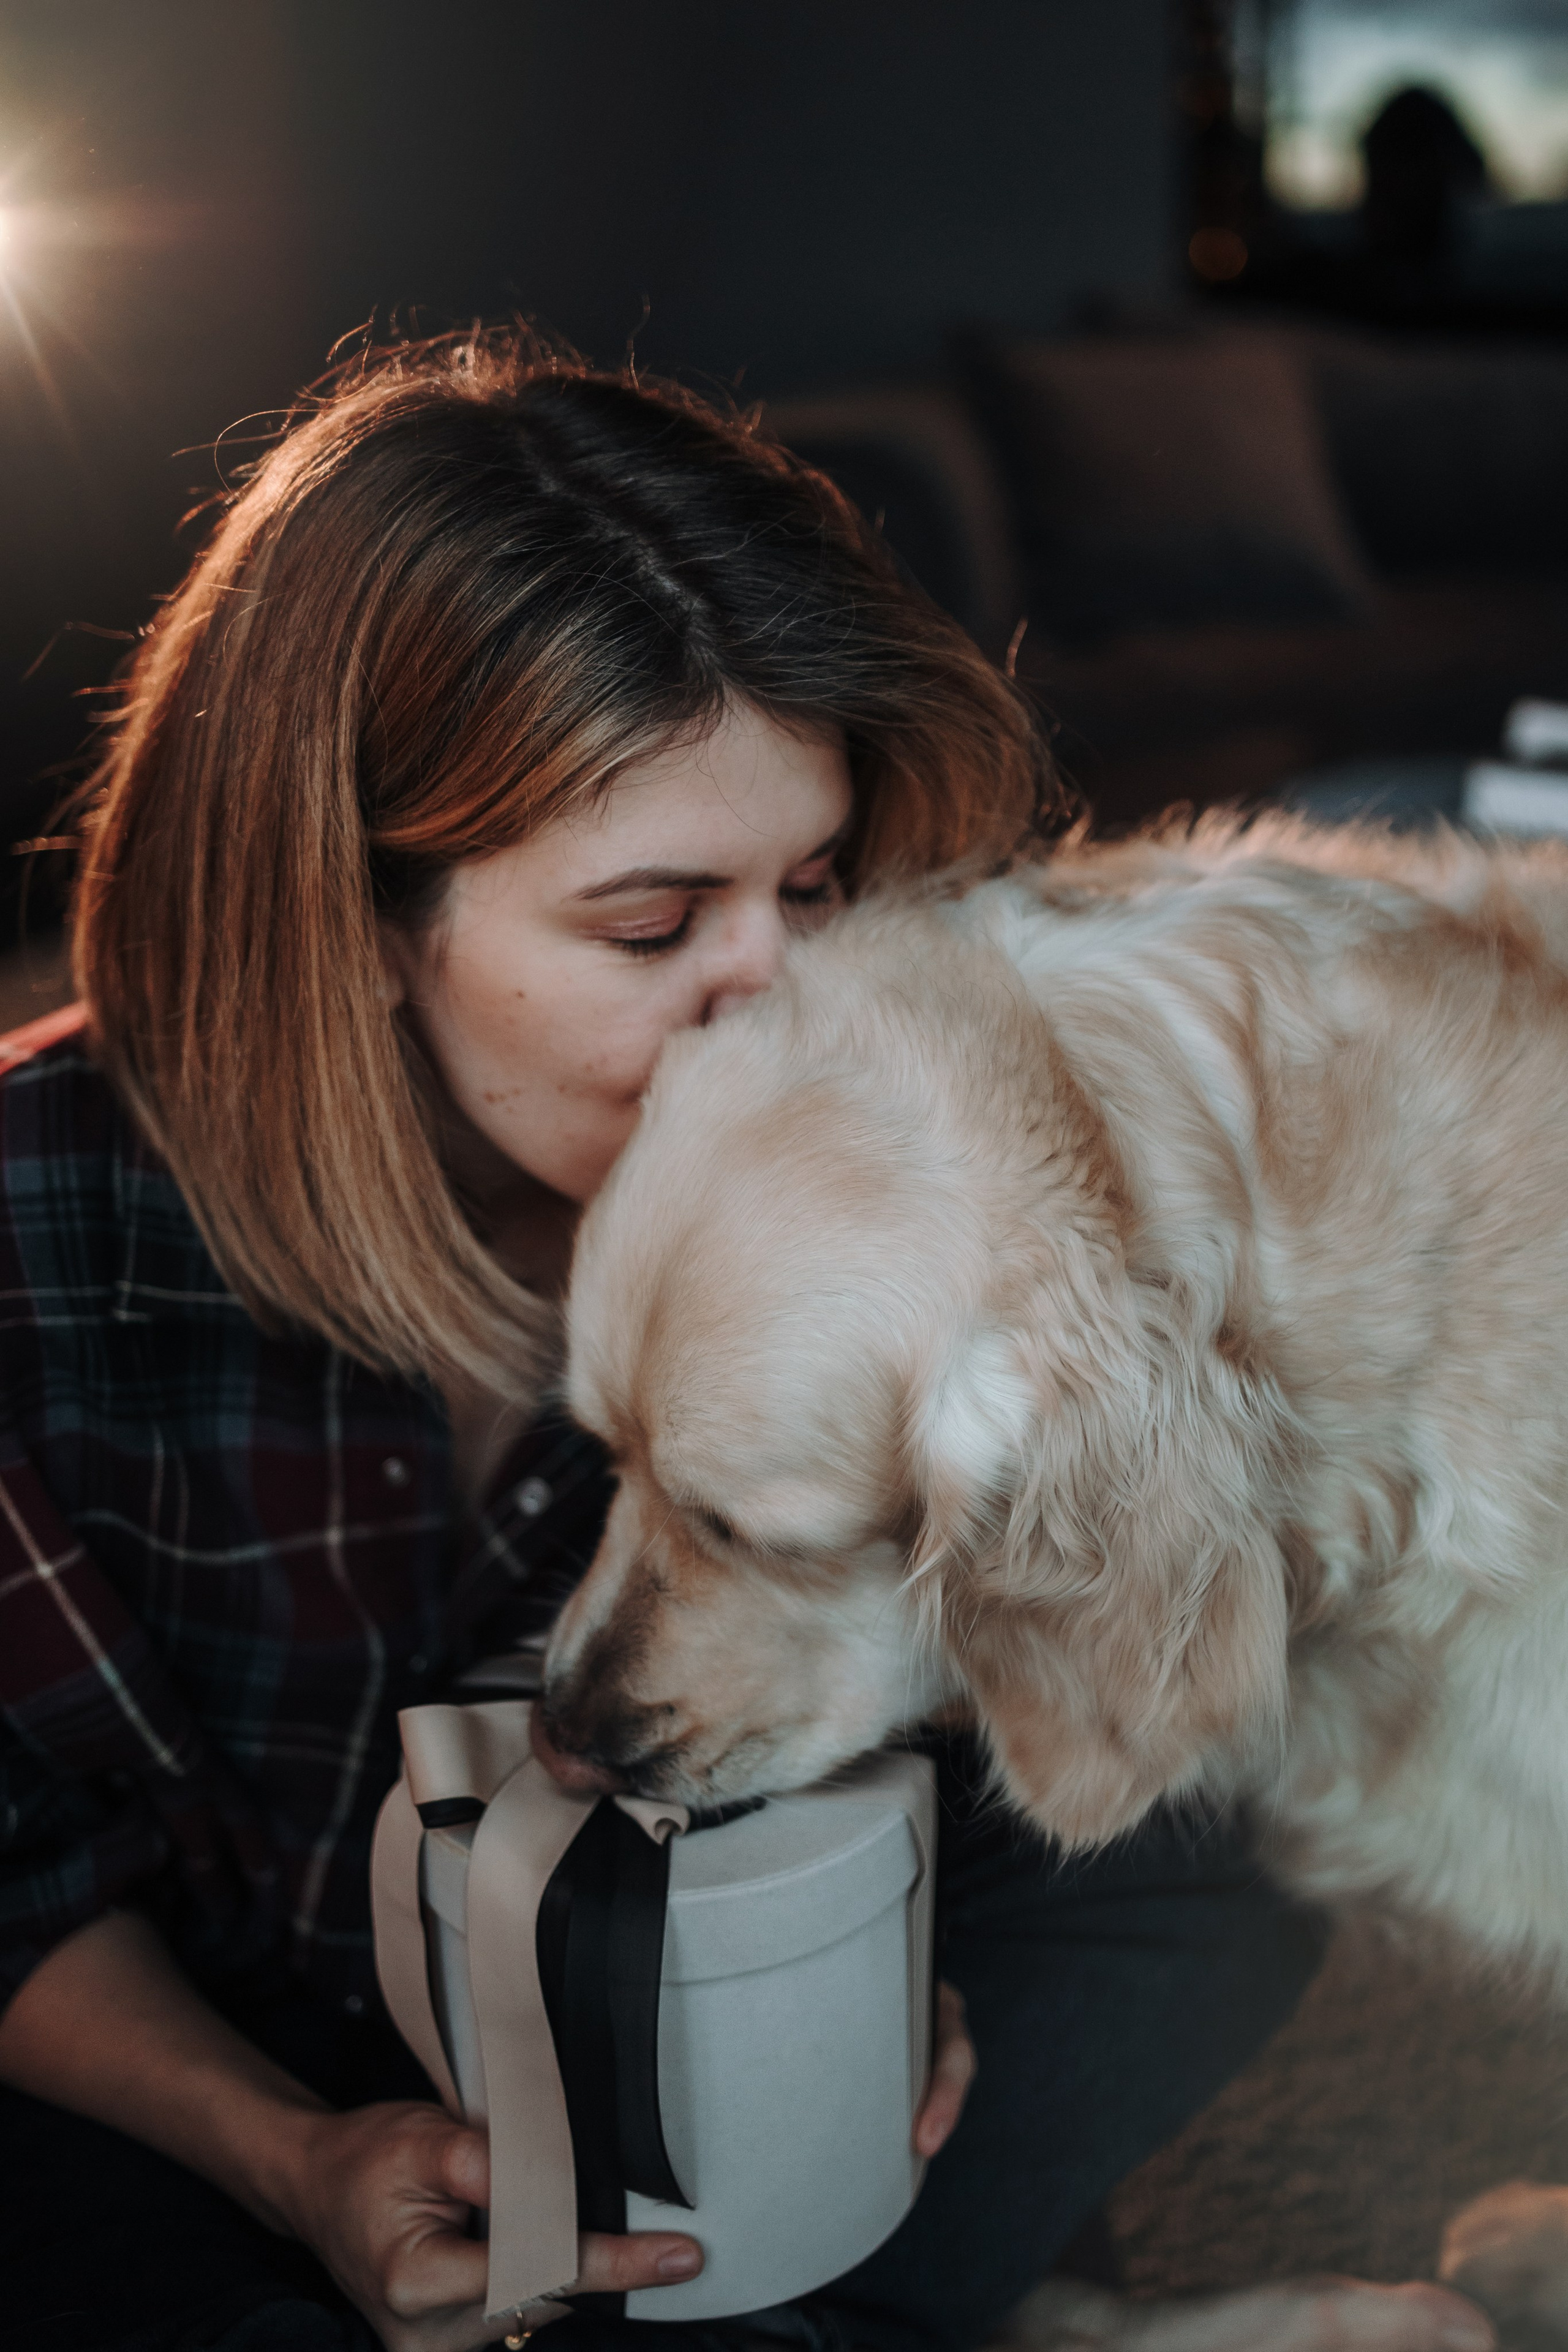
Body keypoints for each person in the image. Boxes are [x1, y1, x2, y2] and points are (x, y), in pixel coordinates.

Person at [0, 330, 1335, 2352]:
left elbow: (958, 1663)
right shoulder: (35, 1223)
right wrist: (294, 2157)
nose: (780, 1000)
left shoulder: (867, 1171)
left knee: (1222, 1817)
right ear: (350, 909)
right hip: (207, 2048)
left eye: (810, 887)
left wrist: (876, 1950)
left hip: (681, 1948)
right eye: (652, 927)